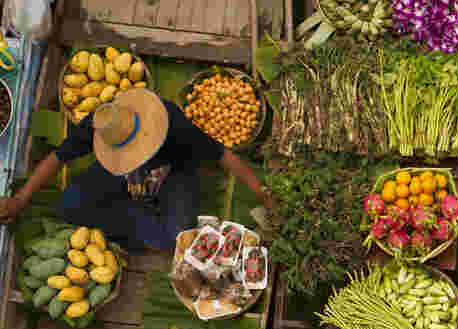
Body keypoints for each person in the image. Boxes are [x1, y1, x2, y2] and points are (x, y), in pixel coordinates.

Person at [0, 88, 270, 252]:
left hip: (175, 173)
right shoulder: (102, 124)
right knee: (70, 206)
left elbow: (223, 156)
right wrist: (22, 199)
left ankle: (143, 214)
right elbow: (57, 158)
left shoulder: (172, 124)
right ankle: (137, 212)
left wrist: (262, 192)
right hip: (118, 173)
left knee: (175, 238)